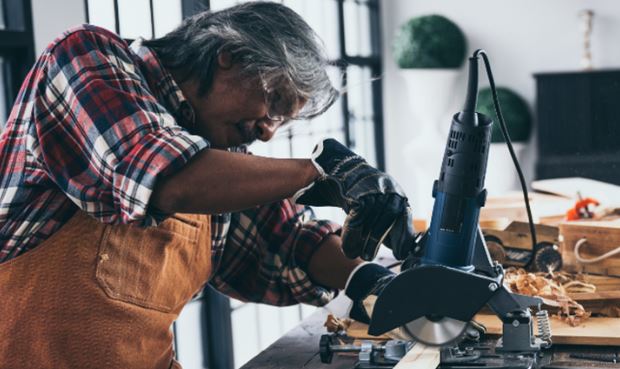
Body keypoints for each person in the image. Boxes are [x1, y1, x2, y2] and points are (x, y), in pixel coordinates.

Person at [0, 2, 414, 368]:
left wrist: (384, 284)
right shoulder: (85, 58)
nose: (268, 133)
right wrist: (324, 170)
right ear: (228, 57)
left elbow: (289, 242)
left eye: (282, 122)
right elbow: (163, 176)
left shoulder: (223, 164)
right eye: (273, 105)